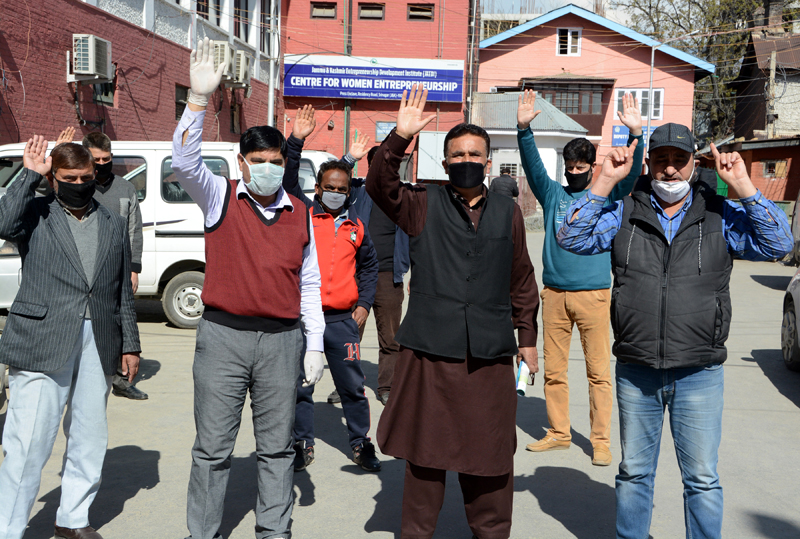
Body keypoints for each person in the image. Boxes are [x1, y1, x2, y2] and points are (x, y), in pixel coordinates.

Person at [556, 123, 792, 539]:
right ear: (648, 163)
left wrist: (743, 185)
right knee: (634, 473)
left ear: (692, 164)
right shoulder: (623, 211)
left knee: (701, 478)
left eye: (678, 161)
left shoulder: (720, 214)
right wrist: (605, 180)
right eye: (660, 160)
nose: (669, 170)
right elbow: (571, 238)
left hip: (699, 372)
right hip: (637, 369)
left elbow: (778, 245)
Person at [368, 85, 540, 539]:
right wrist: (399, 138)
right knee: (425, 463)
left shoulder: (508, 212)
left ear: (488, 161)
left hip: (489, 357)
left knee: (490, 464)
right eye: (457, 153)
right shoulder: (421, 203)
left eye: (475, 153)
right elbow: (378, 186)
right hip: (431, 354)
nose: (466, 159)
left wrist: (528, 341)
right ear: (444, 163)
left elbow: (522, 279)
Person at [171, 38, 325, 539]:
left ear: (285, 161)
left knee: (277, 448)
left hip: (281, 342)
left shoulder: (300, 211)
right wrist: (197, 100)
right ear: (241, 164)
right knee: (213, 448)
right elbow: (185, 164)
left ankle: (273, 532)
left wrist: (315, 344)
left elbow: (309, 283)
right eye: (257, 160)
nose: (267, 167)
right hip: (223, 338)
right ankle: (204, 532)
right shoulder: (219, 198)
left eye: (275, 160)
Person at [0, 137, 140, 539]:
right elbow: (2, 223)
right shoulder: (35, 213)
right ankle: (9, 528)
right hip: (43, 338)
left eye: (86, 176)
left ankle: (73, 519)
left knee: (89, 435)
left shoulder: (112, 222)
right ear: (55, 179)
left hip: (98, 337)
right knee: (28, 443)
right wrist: (30, 175)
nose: (80, 183)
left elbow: (119, 291)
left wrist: (130, 342)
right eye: (69, 178)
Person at [517, 90, 644, 466]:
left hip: (594, 296)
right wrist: (524, 129)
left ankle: (601, 441)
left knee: (598, 373)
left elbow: (630, 169)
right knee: (554, 371)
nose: (574, 172)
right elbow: (531, 167)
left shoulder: (608, 193)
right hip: (554, 295)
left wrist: (635, 135)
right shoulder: (553, 194)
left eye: (580, 166)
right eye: (569, 166)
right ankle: (558, 432)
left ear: (592, 165)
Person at [282, 106, 381, 472]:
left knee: (353, 387)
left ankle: (361, 444)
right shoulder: (303, 215)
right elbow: (289, 180)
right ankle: (301, 444)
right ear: (318, 190)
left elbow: (369, 267)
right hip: (306, 320)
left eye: (342, 189)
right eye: (330, 188)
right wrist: (296, 140)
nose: (336, 193)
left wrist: (365, 304)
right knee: (302, 386)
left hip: (343, 321)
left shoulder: (356, 227)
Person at [327, 142, 411, 406]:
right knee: (350, 335)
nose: (383, 171)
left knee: (390, 337)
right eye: (378, 165)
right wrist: (351, 156)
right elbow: (336, 174)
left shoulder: (404, 197)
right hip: (356, 276)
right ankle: (346, 387)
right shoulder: (356, 193)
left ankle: (387, 386)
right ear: (370, 167)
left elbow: (417, 236)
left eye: (389, 166)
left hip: (389, 276)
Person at [80, 131, 147, 401]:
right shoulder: (79, 187)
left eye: (106, 158)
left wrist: (133, 268)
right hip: (84, 268)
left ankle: (120, 379)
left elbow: (135, 230)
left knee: (120, 322)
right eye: (96, 159)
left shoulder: (125, 188)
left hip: (117, 270)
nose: (102, 164)